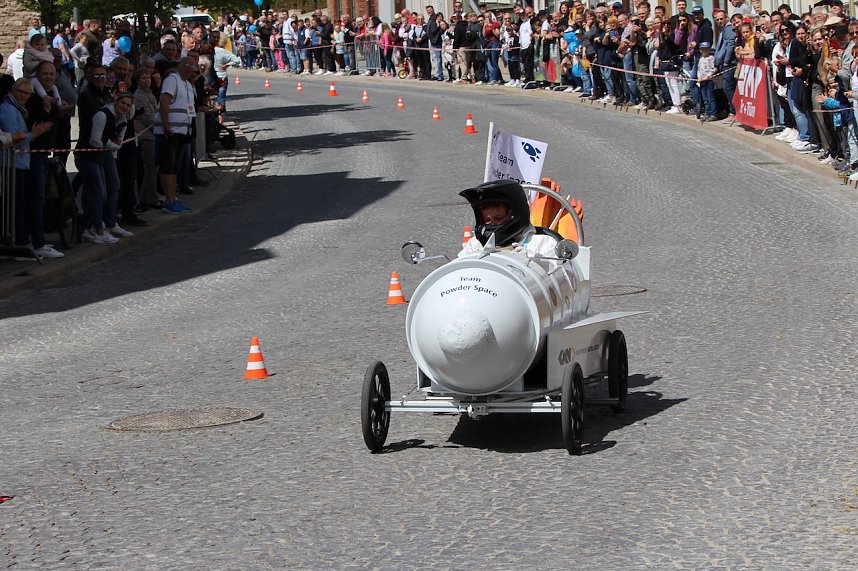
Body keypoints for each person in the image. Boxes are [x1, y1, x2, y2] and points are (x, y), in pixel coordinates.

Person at [0, 78, 57, 258]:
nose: (23, 96)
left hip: (20, 163)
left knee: (21, 204)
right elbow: (15, 138)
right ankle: (20, 244)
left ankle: (22, 242)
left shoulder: (18, 109)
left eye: (27, 94)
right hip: (12, 165)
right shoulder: (9, 109)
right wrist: (35, 133)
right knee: (17, 206)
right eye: (21, 92)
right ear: (13, 90)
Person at [458, 180, 557, 257]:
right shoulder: (474, 245)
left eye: (498, 218)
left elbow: (555, 269)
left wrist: (530, 259)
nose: (492, 223)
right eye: (487, 220)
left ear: (517, 214)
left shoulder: (542, 243)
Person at [155, 57, 196, 214]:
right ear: (180, 65)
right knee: (168, 166)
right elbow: (164, 102)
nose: (190, 69)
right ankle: (169, 199)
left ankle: (173, 198)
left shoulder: (187, 84)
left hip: (182, 131)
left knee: (175, 168)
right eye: (186, 65)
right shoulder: (172, 80)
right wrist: (166, 127)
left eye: (192, 66)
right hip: (170, 131)